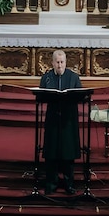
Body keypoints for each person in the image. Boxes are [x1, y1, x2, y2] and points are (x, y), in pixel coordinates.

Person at [39, 50, 82, 195]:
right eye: (57, 62)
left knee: (68, 153)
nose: (59, 65)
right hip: (52, 119)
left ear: (66, 62)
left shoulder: (74, 77)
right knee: (51, 152)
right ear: (52, 63)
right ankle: (51, 183)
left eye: (62, 62)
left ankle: (69, 184)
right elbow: (41, 95)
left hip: (68, 120)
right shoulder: (47, 77)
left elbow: (80, 96)